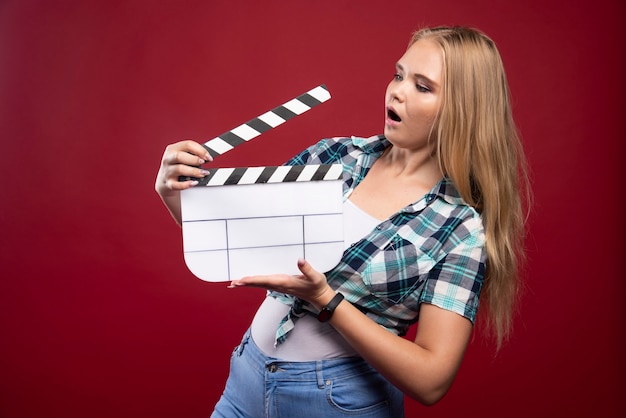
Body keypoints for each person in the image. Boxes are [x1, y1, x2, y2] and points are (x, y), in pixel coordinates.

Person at [155, 25, 529, 417]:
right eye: (399, 74)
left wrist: (325, 300)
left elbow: (432, 379)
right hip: (246, 381)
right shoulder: (333, 158)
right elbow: (237, 244)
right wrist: (174, 192)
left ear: (463, 109)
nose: (397, 90)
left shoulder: (459, 229)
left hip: (338, 404)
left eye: (423, 87)